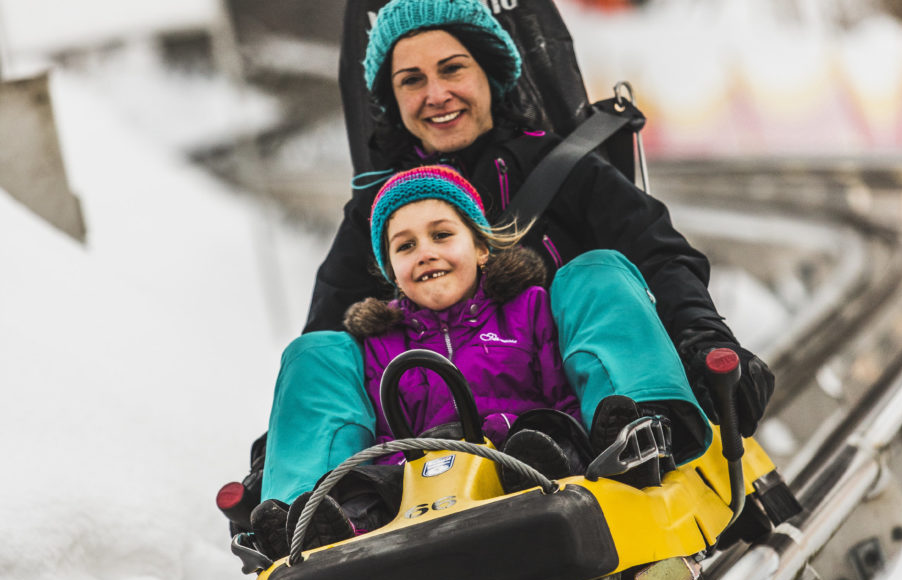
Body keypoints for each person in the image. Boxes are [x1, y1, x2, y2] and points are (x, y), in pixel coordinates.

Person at [255, 0, 773, 531]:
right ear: (392, 98)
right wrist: (282, 444)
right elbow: (325, 341)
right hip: (420, 453)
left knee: (595, 271)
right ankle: (306, 508)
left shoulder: (565, 170)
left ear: (488, 73)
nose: (436, 94)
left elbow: (658, 254)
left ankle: (643, 427)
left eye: (452, 68)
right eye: (411, 80)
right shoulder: (379, 211)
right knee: (316, 349)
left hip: (561, 413)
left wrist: (702, 334)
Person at [252, 165, 589, 558]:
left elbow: (561, 398)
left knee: (546, 433)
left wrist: (514, 432)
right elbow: (383, 435)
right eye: (405, 246)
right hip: (422, 476)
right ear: (391, 270)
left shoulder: (527, 308)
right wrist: (409, 459)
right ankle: (332, 532)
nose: (425, 253)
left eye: (442, 235)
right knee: (367, 480)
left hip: (513, 449)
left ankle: (539, 478)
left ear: (481, 248)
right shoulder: (380, 344)